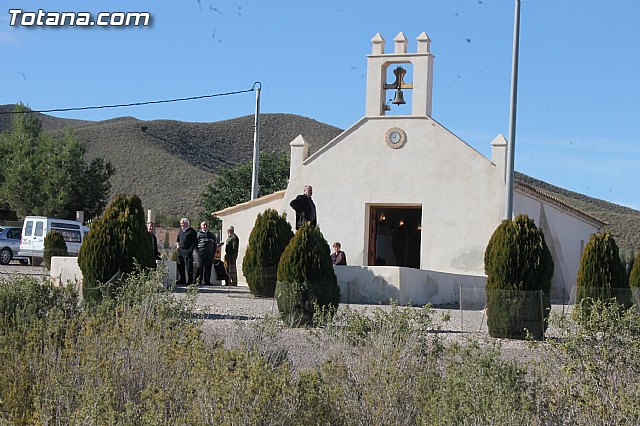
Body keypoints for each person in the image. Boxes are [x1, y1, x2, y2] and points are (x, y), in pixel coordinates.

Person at [176, 217, 197, 286]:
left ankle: (190, 281)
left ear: (187, 223)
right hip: (180, 251)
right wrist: (178, 246)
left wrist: (190, 250)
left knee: (189, 266)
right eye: (181, 224)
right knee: (180, 265)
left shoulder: (192, 231)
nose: (181, 225)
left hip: (187, 250)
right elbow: (178, 239)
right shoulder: (181, 231)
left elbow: (194, 242)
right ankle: (182, 279)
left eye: (183, 223)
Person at [195, 220, 217, 286]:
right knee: (200, 267)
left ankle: (207, 281)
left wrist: (213, 253)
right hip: (201, 253)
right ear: (201, 226)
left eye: (206, 225)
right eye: (203, 225)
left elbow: (214, 245)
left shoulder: (212, 235)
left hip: (210, 253)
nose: (205, 226)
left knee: (208, 267)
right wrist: (197, 251)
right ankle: (198, 281)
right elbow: (195, 244)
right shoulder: (198, 234)